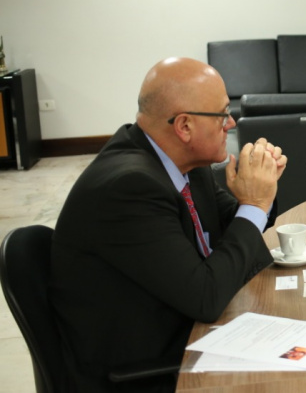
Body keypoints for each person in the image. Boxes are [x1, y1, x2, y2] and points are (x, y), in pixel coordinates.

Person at [50, 57, 288, 392]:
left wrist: (257, 191)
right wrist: (254, 204)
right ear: (185, 127)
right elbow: (206, 297)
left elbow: (235, 228)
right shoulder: (128, 188)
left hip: (187, 328)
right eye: (222, 114)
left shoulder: (184, 161)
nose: (231, 124)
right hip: (143, 368)